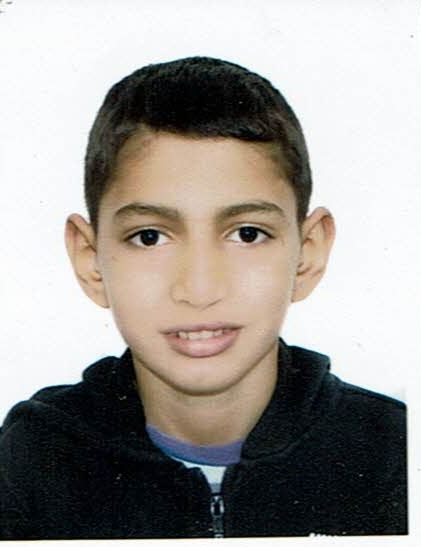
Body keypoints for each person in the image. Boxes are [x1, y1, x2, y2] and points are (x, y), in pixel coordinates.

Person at [0, 56, 406, 539]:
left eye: (248, 234)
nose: (199, 289)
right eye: (150, 237)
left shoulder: (394, 455)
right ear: (91, 261)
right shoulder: (27, 463)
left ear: (307, 254)